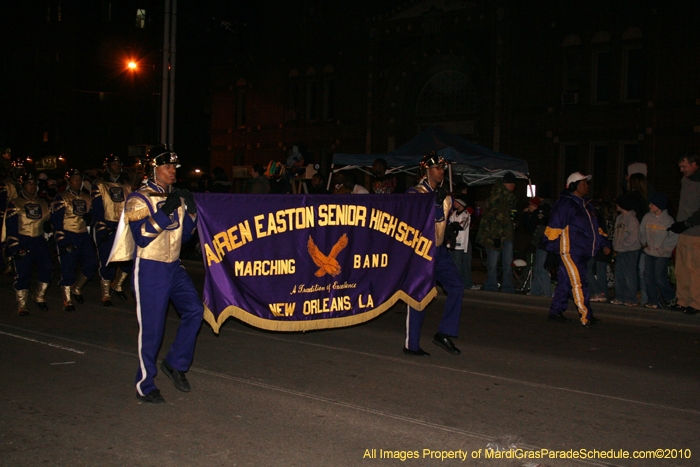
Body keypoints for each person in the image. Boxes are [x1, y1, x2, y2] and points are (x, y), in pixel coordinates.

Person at [114, 145, 203, 404]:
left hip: (173, 266)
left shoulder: (174, 195)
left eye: (174, 166)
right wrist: (164, 212)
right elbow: (141, 237)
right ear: (154, 170)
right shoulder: (138, 199)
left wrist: (192, 211)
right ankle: (145, 383)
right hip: (150, 267)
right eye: (167, 166)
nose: (173, 170)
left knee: (195, 310)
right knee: (153, 328)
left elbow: (184, 236)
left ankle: (175, 363)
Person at [404, 151, 463, 356]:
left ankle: (444, 333)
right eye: (437, 168)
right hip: (422, 252)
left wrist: (450, 230)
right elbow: (413, 220)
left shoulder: (446, 195)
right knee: (419, 296)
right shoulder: (415, 193)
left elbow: (441, 221)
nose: (441, 172)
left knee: (457, 286)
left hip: (440, 251)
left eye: (442, 168)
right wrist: (435, 202)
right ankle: (411, 344)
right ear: (426, 171)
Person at [544, 172, 611, 325]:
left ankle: (556, 311)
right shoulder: (565, 204)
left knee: (566, 282)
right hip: (570, 251)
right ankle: (586, 316)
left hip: (582, 251)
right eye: (583, 183)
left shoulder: (586, 205)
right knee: (579, 282)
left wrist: (604, 243)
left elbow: (596, 229)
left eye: (587, 183)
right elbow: (553, 228)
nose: (587, 186)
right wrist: (551, 250)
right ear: (573, 186)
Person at [4, 172, 53, 315]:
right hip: (22, 240)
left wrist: (49, 227)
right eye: (28, 183)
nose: (32, 187)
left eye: (34, 184)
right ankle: (21, 304)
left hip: (39, 241)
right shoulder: (15, 204)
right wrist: (16, 247)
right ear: (22, 185)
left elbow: (49, 222)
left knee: (48, 267)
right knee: (23, 272)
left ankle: (39, 295)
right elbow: (11, 228)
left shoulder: (43, 203)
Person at [50, 169, 99, 311]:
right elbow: (56, 221)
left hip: (83, 235)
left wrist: (91, 219)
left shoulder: (87, 197)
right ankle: (67, 299)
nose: (78, 182)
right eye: (74, 179)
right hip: (68, 234)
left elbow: (92, 216)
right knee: (68, 267)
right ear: (68, 181)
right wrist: (61, 241)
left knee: (92, 263)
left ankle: (77, 287)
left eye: (79, 179)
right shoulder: (62, 197)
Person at [91, 154, 132, 306]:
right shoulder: (100, 185)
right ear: (107, 166)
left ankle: (118, 284)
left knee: (128, 260)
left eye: (119, 163)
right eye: (113, 164)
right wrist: (102, 227)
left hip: (123, 227)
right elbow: (97, 208)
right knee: (107, 260)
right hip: (107, 226)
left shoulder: (126, 186)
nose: (117, 166)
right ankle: (106, 293)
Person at [668, 154, 700, 314]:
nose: (681, 170)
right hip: (684, 232)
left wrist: (686, 223)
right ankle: (682, 301)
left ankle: (695, 303)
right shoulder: (685, 180)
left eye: (684, 166)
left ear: (694, 164)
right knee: (681, 269)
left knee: (694, 269)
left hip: (696, 233)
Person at [476, 172, 517, 293]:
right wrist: (496, 235)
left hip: (506, 235)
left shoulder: (507, 197)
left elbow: (506, 216)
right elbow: (493, 218)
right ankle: (492, 286)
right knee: (493, 263)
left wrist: (513, 222)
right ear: (511, 184)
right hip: (495, 236)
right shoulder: (498, 197)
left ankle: (507, 287)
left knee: (506, 263)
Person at [639, 193, 678, 309]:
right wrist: (645, 245)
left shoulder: (668, 220)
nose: (650, 205)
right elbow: (642, 233)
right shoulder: (647, 217)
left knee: (659, 277)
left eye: (653, 203)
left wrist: (663, 249)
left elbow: (673, 237)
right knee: (647, 276)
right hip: (649, 253)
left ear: (659, 205)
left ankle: (670, 298)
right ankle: (653, 301)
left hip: (662, 255)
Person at [610, 193, 641, 306]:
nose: (616, 205)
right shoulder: (619, 218)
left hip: (630, 251)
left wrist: (623, 244)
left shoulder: (632, 219)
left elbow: (634, 235)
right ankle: (620, 296)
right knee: (619, 275)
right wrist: (615, 244)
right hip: (621, 250)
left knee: (629, 274)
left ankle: (630, 298)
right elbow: (616, 233)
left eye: (618, 204)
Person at [522, 196, 553, 297]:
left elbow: (532, 226)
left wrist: (526, 214)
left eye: (530, 205)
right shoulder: (549, 209)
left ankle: (548, 294)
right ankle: (535, 291)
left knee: (541, 270)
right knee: (537, 269)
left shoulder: (540, 211)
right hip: (545, 243)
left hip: (543, 244)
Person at [447, 196, 477, 290]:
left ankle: (458, 284)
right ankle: (452, 283)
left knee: (459, 265)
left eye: (456, 202)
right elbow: (449, 224)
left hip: (460, 244)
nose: (454, 203)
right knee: (452, 264)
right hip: (451, 242)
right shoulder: (453, 214)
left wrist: (453, 225)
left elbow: (461, 226)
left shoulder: (466, 214)